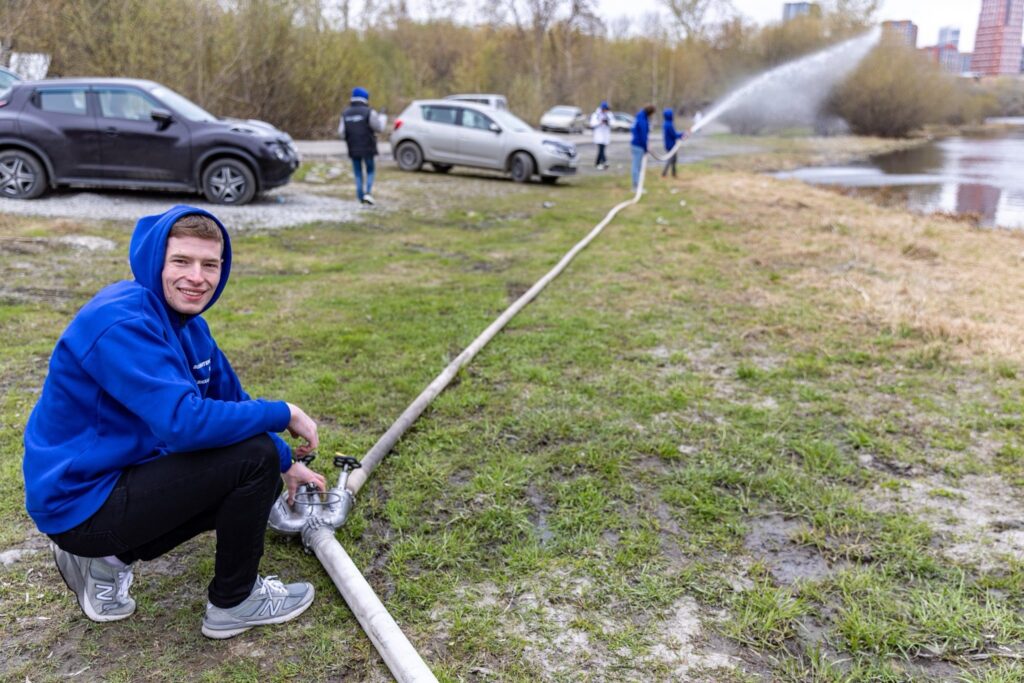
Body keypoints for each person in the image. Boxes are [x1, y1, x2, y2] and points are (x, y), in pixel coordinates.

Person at [23, 205, 327, 639]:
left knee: (259, 466)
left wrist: (286, 462)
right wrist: (284, 413)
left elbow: (229, 400)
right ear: (155, 261)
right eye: (181, 261)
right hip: (77, 502)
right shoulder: (121, 320)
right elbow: (184, 424)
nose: (197, 277)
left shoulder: (189, 326)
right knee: (251, 458)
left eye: (210, 265)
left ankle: (106, 562)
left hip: (113, 481)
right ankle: (234, 602)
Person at [338, 86, 387, 206]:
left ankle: (360, 197)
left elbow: (341, 132)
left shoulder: (345, 113)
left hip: (353, 148)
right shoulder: (370, 112)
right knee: (370, 170)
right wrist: (383, 117)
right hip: (368, 148)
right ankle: (368, 194)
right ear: (366, 98)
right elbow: (379, 128)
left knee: (358, 173)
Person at [630, 104, 657, 191]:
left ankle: (637, 185)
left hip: (636, 144)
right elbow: (643, 135)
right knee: (636, 166)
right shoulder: (642, 119)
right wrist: (645, 147)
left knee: (637, 166)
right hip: (638, 145)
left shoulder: (640, 117)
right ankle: (636, 186)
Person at [661, 108, 687, 178]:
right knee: (671, 159)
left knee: (674, 159)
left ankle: (673, 173)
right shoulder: (669, 125)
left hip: (668, 144)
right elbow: (674, 135)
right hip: (671, 145)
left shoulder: (666, 123)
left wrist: (681, 134)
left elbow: (673, 134)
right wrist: (682, 134)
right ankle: (664, 174)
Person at [590, 100, 612, 170]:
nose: (605, 110)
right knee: (601, 149)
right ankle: (605, 162)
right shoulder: (596, 115)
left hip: (605, 135)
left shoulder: (609, 114)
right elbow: (592, 124)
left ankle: (597, 163)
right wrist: (600, 122)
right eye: (604, 109)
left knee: (601, 150)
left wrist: (607, 122)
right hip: (598, 135)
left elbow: (613, 123)